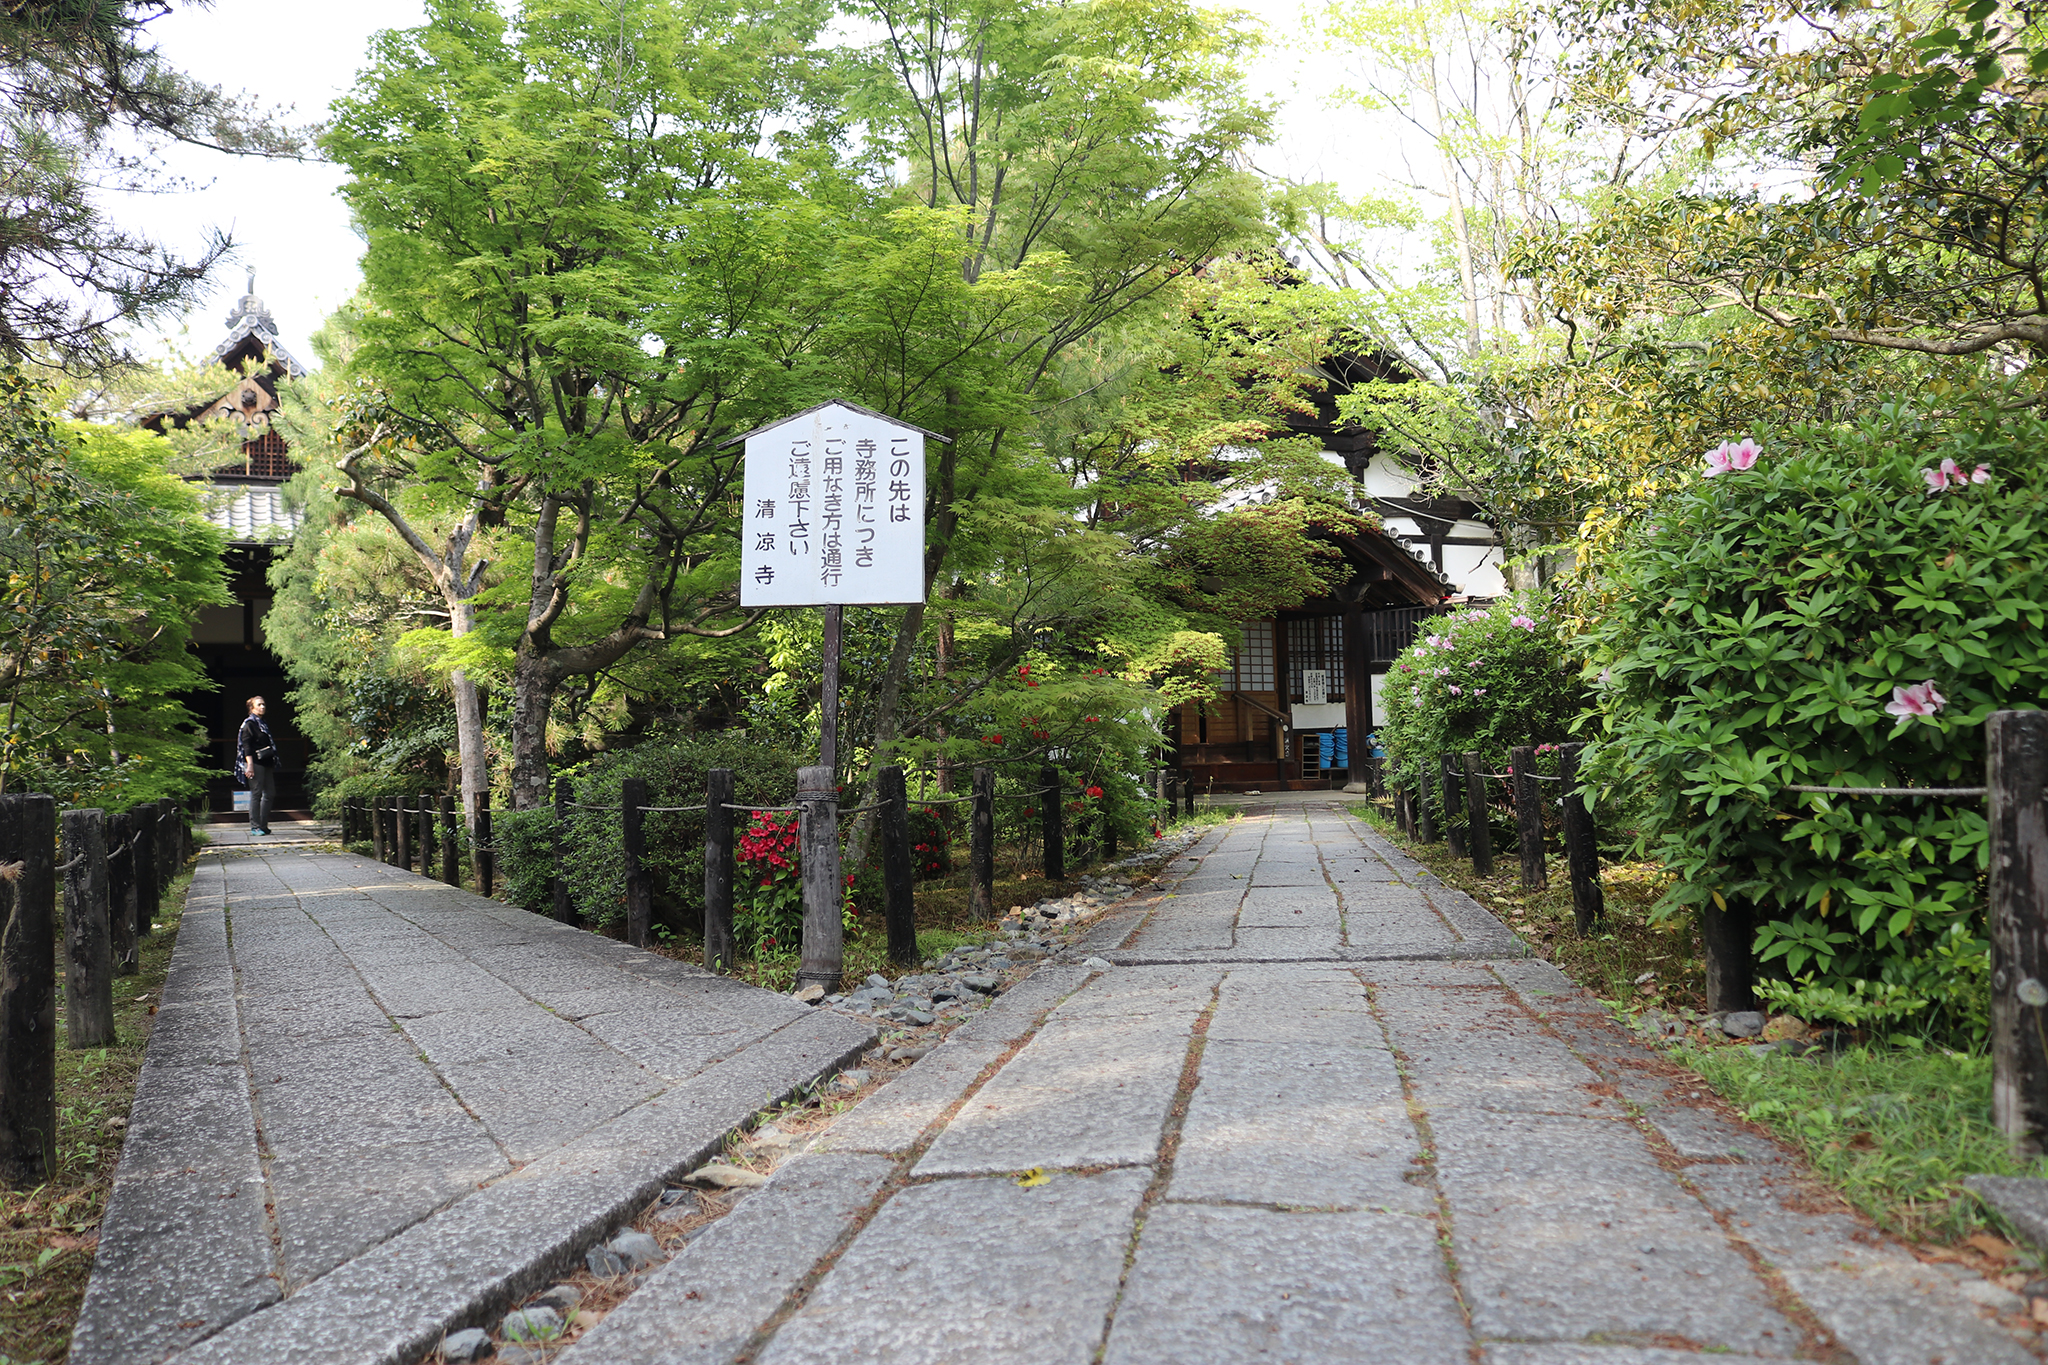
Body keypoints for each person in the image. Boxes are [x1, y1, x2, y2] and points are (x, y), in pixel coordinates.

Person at [236, 696, 278, 836]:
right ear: (251, 708)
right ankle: (255, 826)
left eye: (264, 704)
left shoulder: (262, 723)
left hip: (266, 762)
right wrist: (250, 765)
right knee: (256, 793)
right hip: (255, 762)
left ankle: (263, 824)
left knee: (270, 793)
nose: (262, 707)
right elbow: (246, 746)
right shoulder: (249, 724)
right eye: (259, 705)